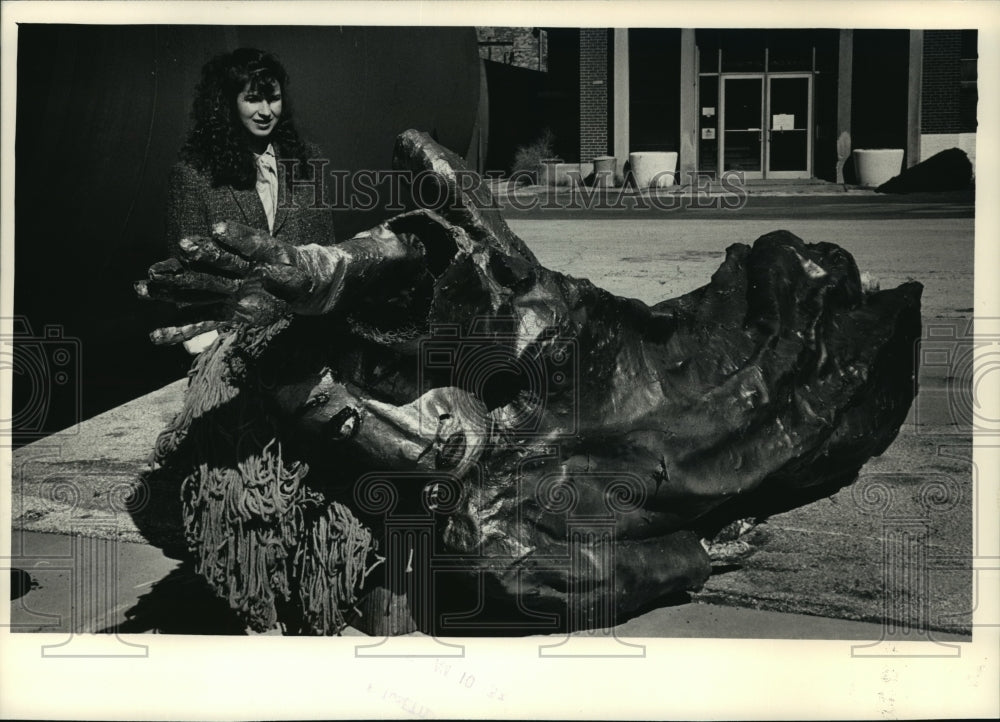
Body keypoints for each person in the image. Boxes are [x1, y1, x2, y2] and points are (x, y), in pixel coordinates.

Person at [138, 129, 923, 637]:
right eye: (346, 425)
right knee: (770, 422)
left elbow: (448, 263)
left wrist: (329, 269)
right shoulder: (486, 535)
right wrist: (692, 557)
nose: (407, 427)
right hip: (658, 454)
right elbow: (595, 575)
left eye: (358, 393)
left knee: (765, 344)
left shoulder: (492, 343)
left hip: (635, 362)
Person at [165, 47, 335, 353]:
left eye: (273, 98)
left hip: (306, 339)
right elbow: (186, 279)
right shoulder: (193, 175)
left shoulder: (308, 161)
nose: (266, 110)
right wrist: (207, 345)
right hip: (229, 342)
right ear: (229, 103)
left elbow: (325, 255)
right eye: (253, 99)